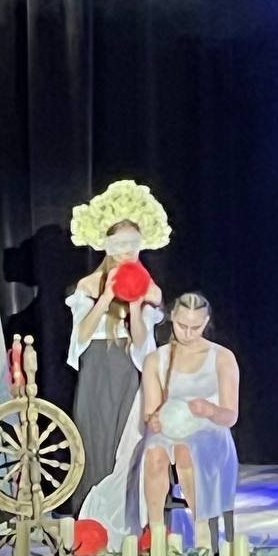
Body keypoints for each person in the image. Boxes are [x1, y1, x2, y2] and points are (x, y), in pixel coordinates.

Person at [64, 180, 170, 534]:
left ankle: (128, 525)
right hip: (96, 370)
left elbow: (143, 344)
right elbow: (80, 336)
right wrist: (107, 297)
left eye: (132, 245)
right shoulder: (87, 286)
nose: (126, 252)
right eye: (120, 245)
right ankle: (90, 526)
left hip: (129, 373)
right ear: (107, 246)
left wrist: (136, 307)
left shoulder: (150, 289)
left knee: (128, 445)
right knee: (95, 440)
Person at [139, 292, 239, 551]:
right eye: (182, 325)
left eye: (196, 327)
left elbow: (230, 416)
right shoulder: (156, 359)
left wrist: (210, 410)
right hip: (171, 429)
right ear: (172, 317)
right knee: (154, 453)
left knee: (186, 451)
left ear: (206, 322)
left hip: (210, 430)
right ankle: (157, 532)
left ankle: (202, 529)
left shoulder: (222, 357)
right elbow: (150, 412)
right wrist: (154, 420)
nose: (188, 333)